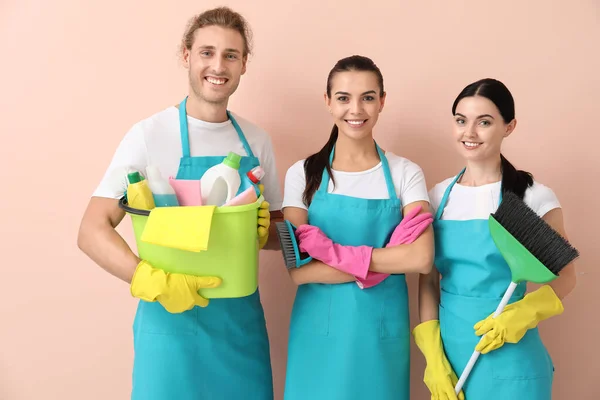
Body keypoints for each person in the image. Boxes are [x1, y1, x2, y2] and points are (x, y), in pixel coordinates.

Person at [77, 7, 283, 400]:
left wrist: (263, 231)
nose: (218, 66)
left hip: (239, 327)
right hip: (168, 327)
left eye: (231, 55)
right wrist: (147, 279)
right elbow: (91, 230)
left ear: (243, 65)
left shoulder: (256, 141)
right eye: (207, 52)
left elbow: (275, 234)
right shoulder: (149, 135)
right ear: (186, 55)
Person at [280, 55, 434, 400]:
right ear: (327, 102)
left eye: (367, 97)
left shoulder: (405, 173)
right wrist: (386, 261)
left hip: (380, 332)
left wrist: (333, 256)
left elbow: (421, 258)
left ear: (382, 101)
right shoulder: (303, 174)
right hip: (318, 332)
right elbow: (299, 272)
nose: (356, 109)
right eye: (343, 98)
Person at [413, 78, 578, 399]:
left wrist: (525, 312)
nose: (469, 133)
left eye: (484, 122)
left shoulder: (533, 198)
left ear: (509, 126)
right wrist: (432, 356)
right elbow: (428, 282)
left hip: (512, 356)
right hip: (452, 358)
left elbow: (567, 277)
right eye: (461, 121)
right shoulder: (437, 197)